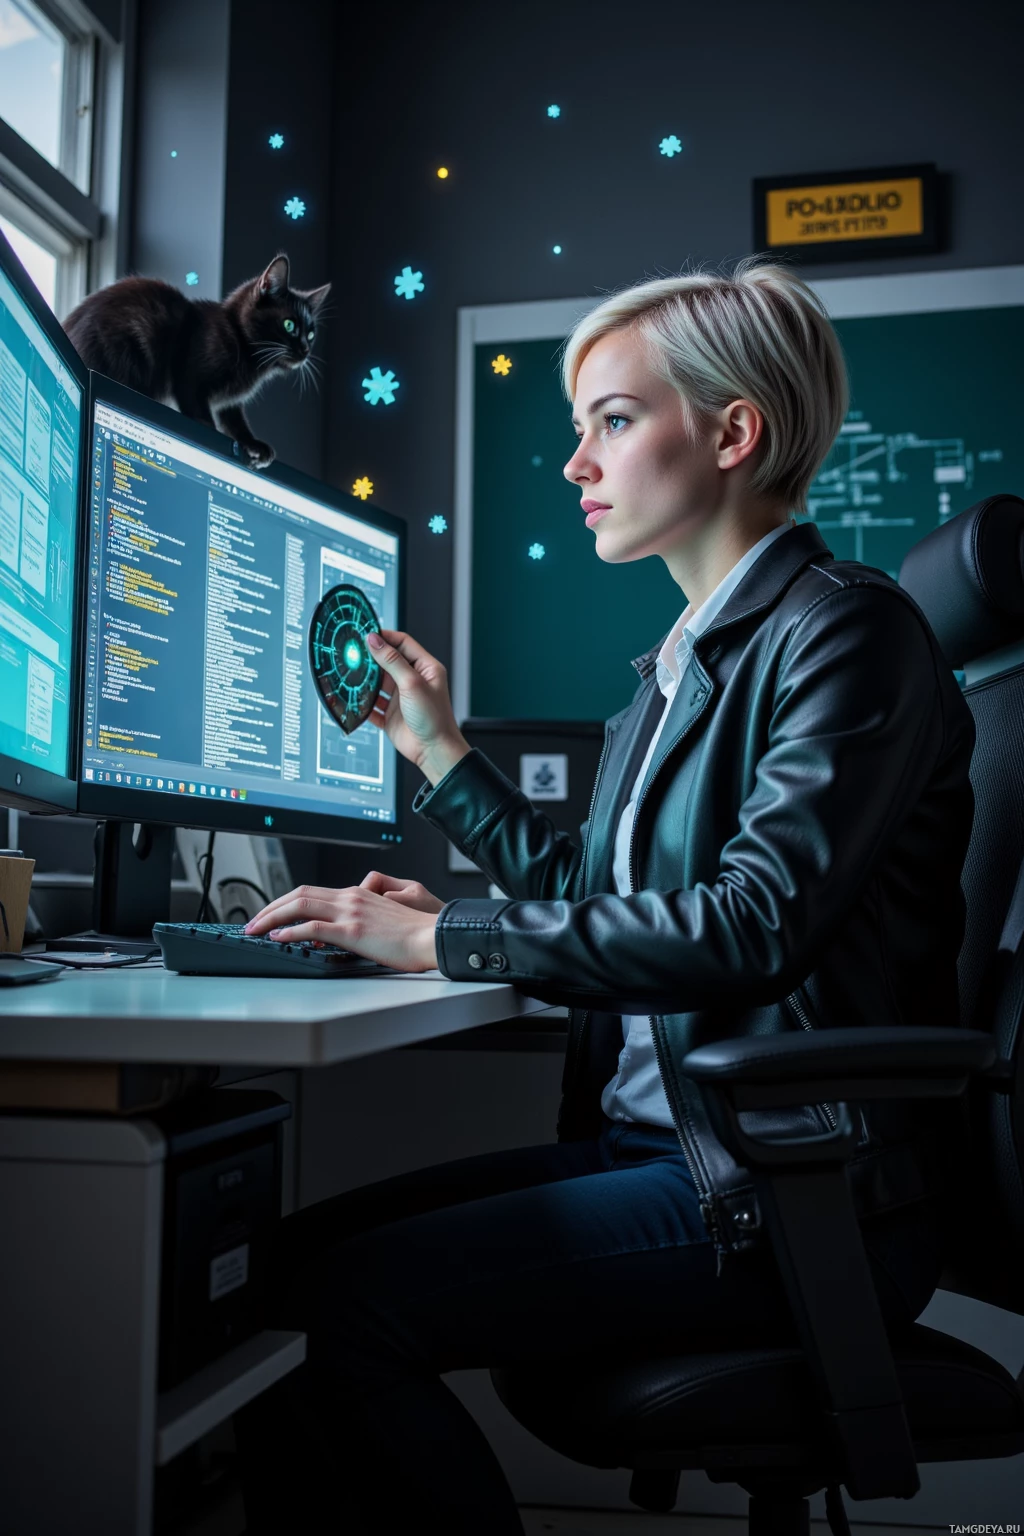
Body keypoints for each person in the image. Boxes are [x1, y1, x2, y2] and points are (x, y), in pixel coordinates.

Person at [236, 258, 975, 1532]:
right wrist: (438, 752)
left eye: (612, 422)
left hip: (780, 1188)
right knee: (278, 1270)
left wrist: (445, 937)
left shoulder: (847, 632)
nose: (576, 466)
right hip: (673, 1152)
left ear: (734, 432)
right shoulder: (674, 674)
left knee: (344, 1310)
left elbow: (751, 927)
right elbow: (591, 887)